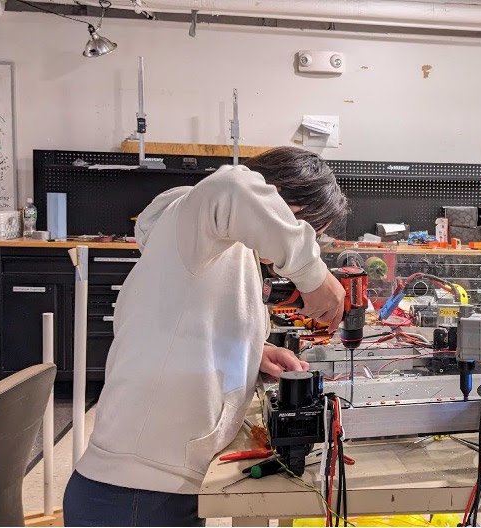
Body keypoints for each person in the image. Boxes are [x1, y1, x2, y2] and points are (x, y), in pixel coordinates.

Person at [63, 147, 349, 526]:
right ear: (283, 205)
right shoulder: (201, 217)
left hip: (158, 485)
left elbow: (186, 331)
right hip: (135, 494)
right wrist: (315, 275)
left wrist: (253, 352)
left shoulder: (217, 245)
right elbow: (233, 186)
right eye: (308, 231)